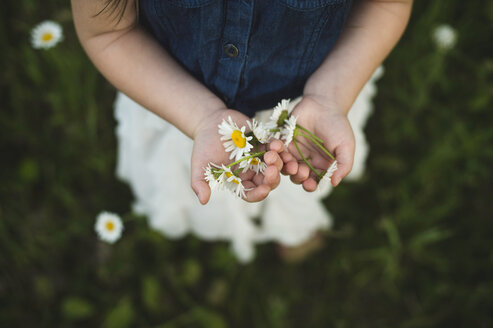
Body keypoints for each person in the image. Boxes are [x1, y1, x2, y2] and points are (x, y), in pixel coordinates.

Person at [71, 0, 413, 262]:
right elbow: (109, 32)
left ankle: (291, 226)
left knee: (301, 179)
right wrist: (202, 117)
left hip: (314, 101)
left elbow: (386, 5)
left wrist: (330, 95)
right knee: (197, 185)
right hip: (172, 96)